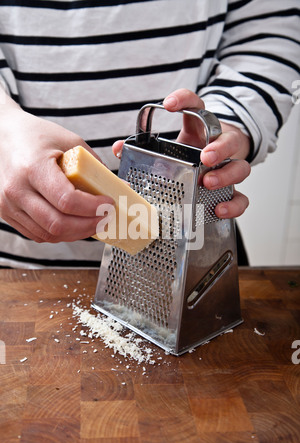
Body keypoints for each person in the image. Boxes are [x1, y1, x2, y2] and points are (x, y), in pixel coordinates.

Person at [0, 0, 299, 269]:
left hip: (193, 246)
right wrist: (6, 130)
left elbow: (270, 28)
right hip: (20, 263)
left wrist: (225, 127)